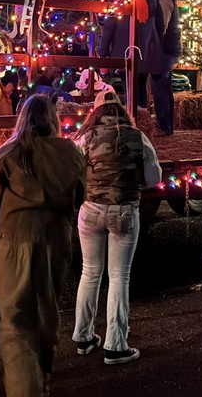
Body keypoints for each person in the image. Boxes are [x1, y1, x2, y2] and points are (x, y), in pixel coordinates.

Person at [0, 94, 86, 397]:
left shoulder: (9, 152)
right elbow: (80, 196)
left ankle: (26, 390)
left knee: (16, 323)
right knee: (46, 314)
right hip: (56, 239)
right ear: (53, 118)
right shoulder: (70, 151)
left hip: (15, 240)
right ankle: (43, 382)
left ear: (22, 117)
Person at [71, 90, 162, 365]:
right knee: (119, 277)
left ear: (96, 112)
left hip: (91, 210)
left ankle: (84, 337)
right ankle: (115, 345)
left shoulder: (84, 138)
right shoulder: (138, 137)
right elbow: (153, 178)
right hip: (124, 211)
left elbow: (74, 174)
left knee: (90, 273)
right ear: (122, 111)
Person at [149, 0, 181, 136]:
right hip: (167, 48)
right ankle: (166, 125)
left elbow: (162, 25)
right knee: (163, 86)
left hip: (164, 49)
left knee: (159, 85)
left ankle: (163, 125)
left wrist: (154, 46)